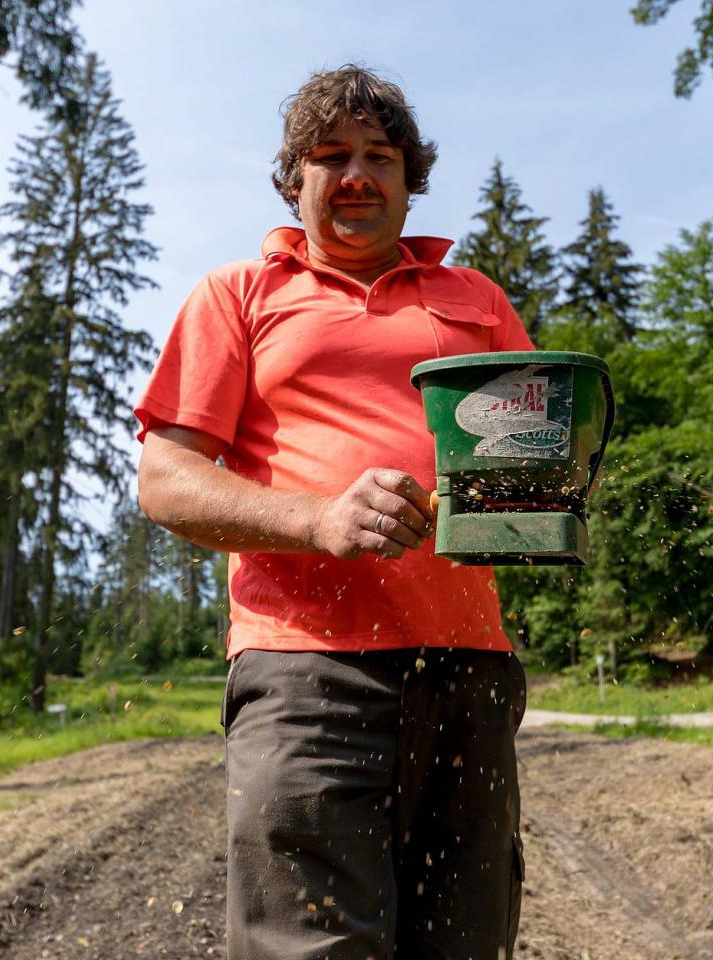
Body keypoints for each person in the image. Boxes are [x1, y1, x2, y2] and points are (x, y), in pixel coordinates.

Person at [134, 65, 534, 960]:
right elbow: (165, 479)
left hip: (468, 674)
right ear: (294, 180)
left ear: (409, 176)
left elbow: (530, 461)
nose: (356, 174)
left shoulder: (476, 300)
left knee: (467, 944)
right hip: (306, 677)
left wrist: (546, 499)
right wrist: (318, 520)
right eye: (330, 156)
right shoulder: (239, 296)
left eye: (378, 155)